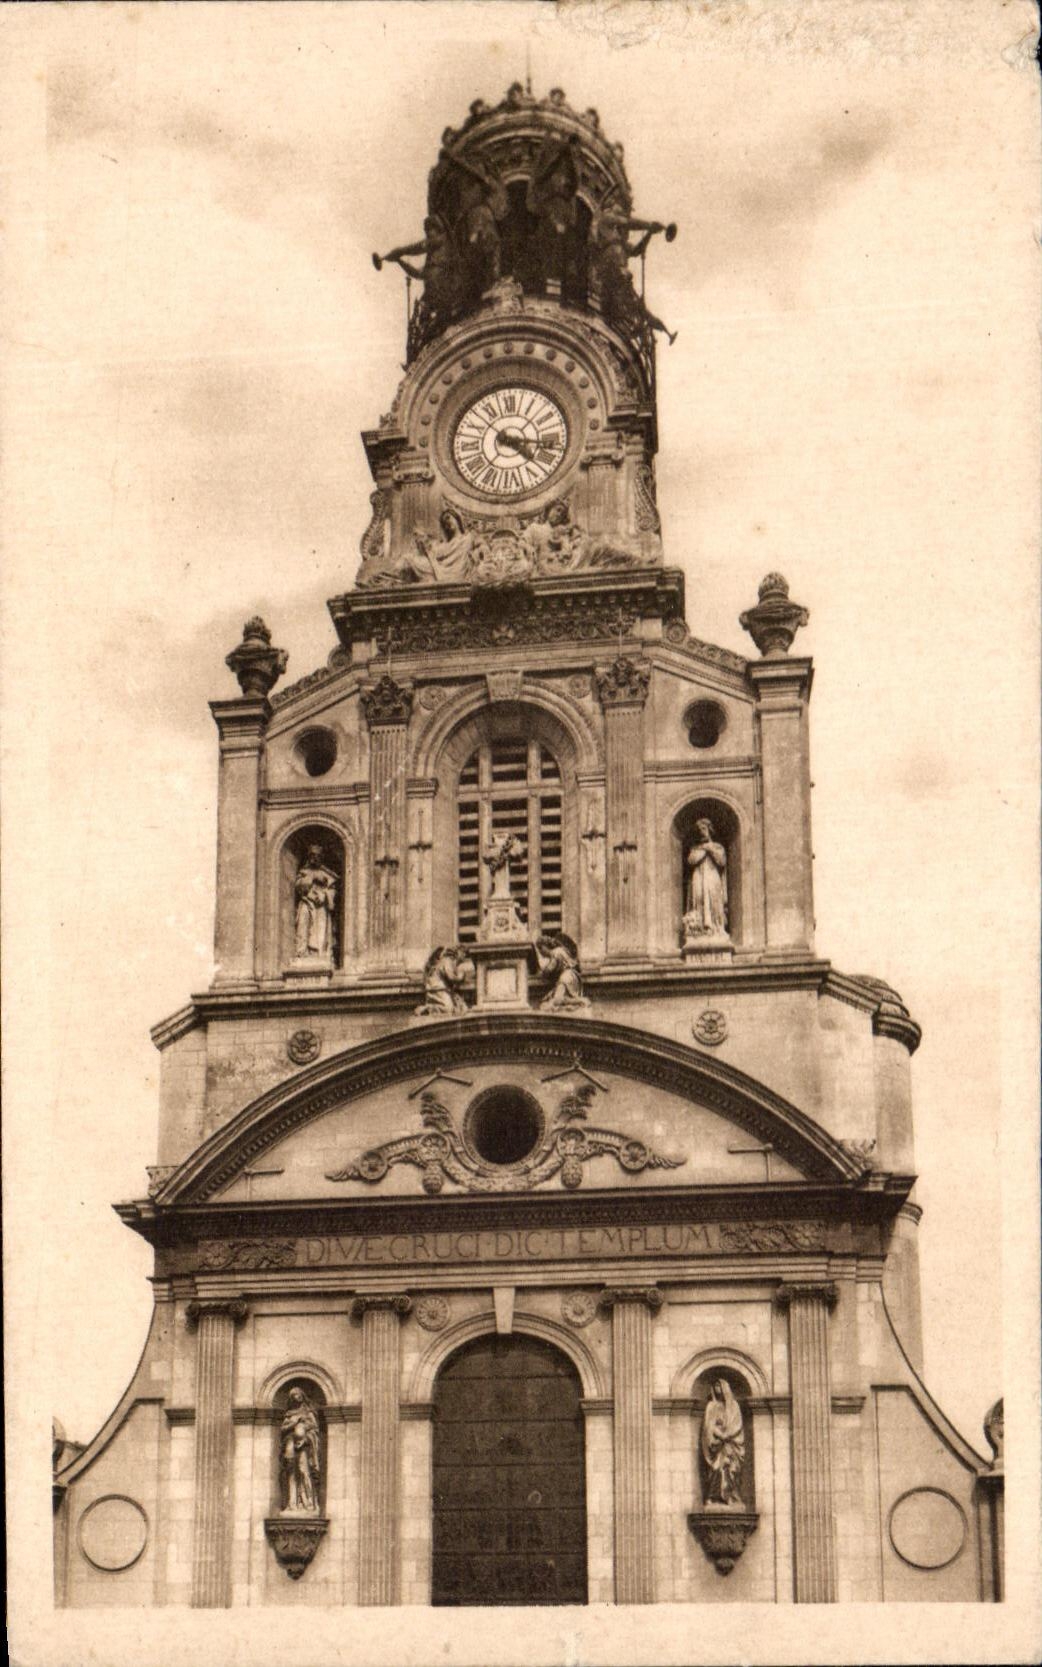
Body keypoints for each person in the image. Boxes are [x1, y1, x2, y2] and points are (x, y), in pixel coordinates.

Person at [700, 1378, 745, 1505]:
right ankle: (712, 1496)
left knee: (730, 1469)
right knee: (715, 1469)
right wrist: (719, 1434)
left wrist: (727, 1435)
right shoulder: (711, 1406)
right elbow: (708, 1426)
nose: (717, 1389)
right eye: (715, 1387)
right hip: (716, 1443)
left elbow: (737, 1424)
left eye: (719, 1386)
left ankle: (730, 1496)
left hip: (730, 1444)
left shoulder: (734, 1406)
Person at [280, 1387, 321, 1514]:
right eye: (293, 1396)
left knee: (304, 1471)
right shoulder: (289, 1414)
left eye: (298, 1395)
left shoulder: (308, 1412)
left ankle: (308, 1502)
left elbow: (315, 1430)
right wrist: (295, 1423)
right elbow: (283, 1429)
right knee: (291, 1474)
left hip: (304, 1447)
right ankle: (292, 1504)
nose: (296, 1397)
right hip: (290, 1445)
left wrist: (305, 1440)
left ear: (302, 1395)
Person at [685, 818, 728, 938]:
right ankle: (699, 930)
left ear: (709, 830)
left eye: (703, 829)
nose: (701, 832)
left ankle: (717, 928)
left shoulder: (718, 847)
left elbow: (722, 861)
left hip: (712, 876)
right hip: (698, 877)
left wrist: (710, 849)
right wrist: (704, 849)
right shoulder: (695, 849)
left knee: (714, 900)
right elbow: (691, 860)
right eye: (699, 830)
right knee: (698, 899)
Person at [294, 846, 337, 958]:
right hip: (306, 902)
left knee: (321, 929)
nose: (314, 857)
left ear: (321, 857)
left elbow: (332, 890)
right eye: (312, 855)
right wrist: (312, 878)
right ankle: (302, 952)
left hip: (321, 906)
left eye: (317, 855)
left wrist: (324, 896)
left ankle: (319, 953)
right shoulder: (304, 872)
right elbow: (299, 886)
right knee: (303, 924)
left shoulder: (327, 873)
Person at [416, 945, 471, 1016]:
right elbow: (451, 977)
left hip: (442, 989)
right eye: (464, 953)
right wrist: (460, 976)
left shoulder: (450, 961)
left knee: (460, 1007)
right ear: (459, 952)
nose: (464, 957)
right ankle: (425, 1008)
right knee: (449, 1009)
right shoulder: (447, 960)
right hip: (438, 989)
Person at [535, 933, 585, 1009]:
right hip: (569, 977)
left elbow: (550, 969)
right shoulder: (558, 951)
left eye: (540, 948)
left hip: (567, 977)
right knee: (555, 1000)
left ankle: (581, 1001)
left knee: (557, 1000)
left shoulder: (556, 952)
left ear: (545, 946)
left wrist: (542, 972)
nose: (540, 952)